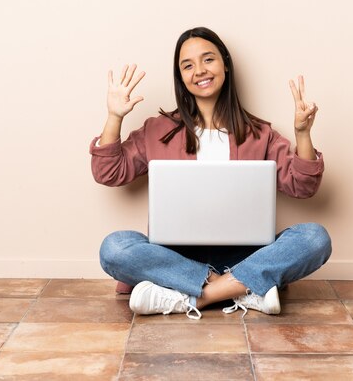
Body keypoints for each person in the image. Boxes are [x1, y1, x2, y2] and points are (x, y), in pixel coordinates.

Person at [90, 27, 331, 320]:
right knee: (114, 247)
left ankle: (191, 297)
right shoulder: (158, 130)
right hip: (175, 257)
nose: (199, 71)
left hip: (245, 255)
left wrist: (302, 134)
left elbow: (302, 186)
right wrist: (114, 117)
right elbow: (108, 172)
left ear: (225, 64)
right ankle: (244, 289)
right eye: (187, 65)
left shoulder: (259, 133)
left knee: (315, 238)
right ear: (180, 77)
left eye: (208, 60)